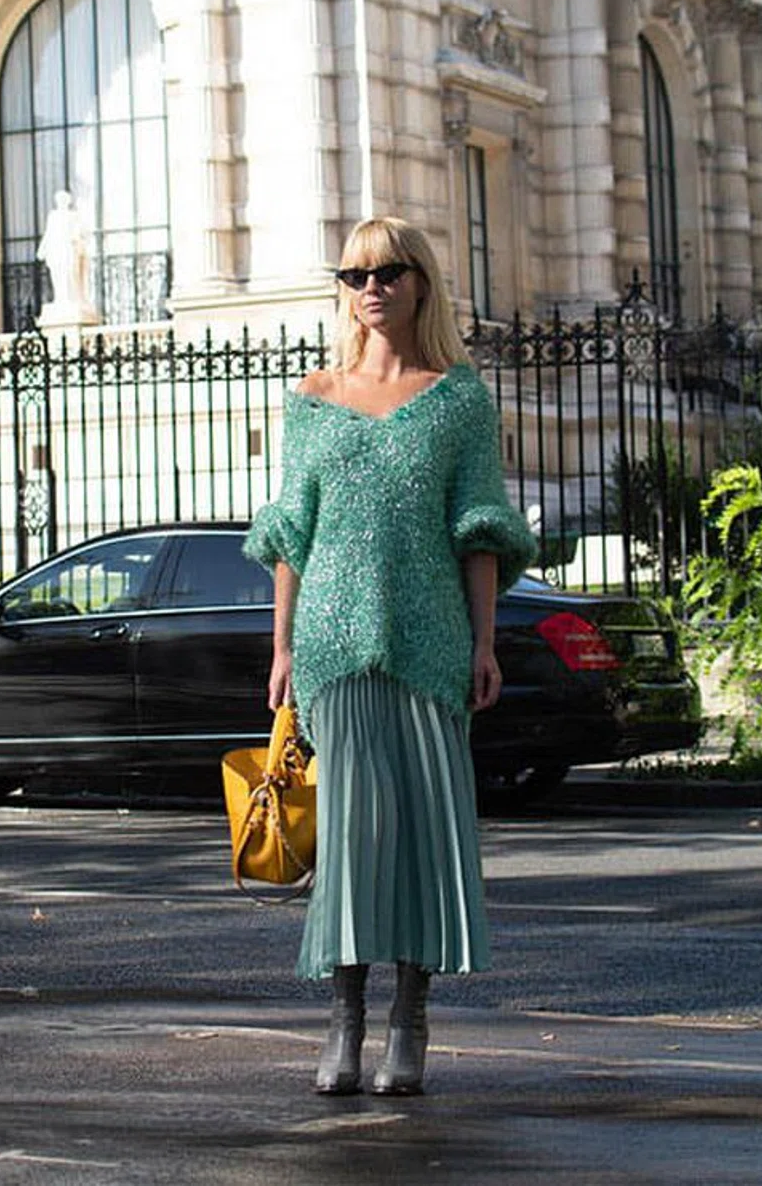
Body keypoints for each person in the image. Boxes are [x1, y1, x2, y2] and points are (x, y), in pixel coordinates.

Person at [244, 217, 536, 1096]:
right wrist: (283, 644)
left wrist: (485, 643)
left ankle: (410, 1022)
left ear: (420, 284)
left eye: (389, 272)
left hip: (430, 644)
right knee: (350, 843)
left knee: (421, 839)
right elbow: (291, 532)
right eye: (355, 273)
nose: (370, 287)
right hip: (332, 648)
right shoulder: (312, 398)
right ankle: (344, 1021)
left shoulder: (458, 399)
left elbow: (479, 531)